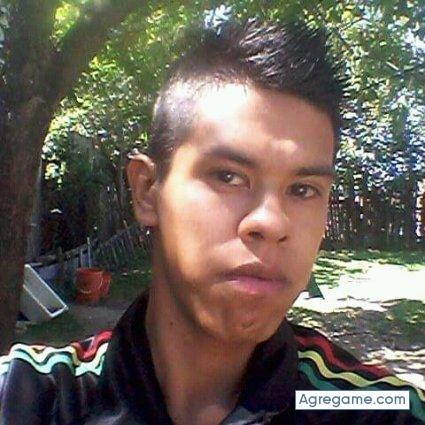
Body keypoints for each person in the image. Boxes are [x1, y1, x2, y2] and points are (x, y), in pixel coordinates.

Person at [0, 18, 424, 425]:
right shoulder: (28, 398)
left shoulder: (374, 409)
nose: (272, 222)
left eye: (302, 189)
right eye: (228, 177)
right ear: (147, 190)